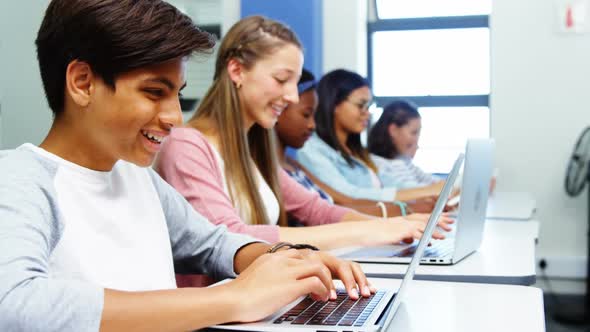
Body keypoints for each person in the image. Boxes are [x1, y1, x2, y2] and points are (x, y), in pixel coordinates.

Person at [0, 2, 374, 331]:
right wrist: (235, 299)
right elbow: (14, 304)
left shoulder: (138, 178)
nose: (175, 117)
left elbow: (213, 243)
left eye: (176, 94)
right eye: (154, 92)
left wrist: (288, 259)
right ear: (83, 83)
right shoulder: (19, 178)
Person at [154, 16, 451, 256]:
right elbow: (231, 237)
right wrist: (371, 231)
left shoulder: (252, 149)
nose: (293, 96)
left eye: (295, 83)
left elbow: (316, 210)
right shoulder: (186, 146)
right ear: (236, 70)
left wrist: (396, 225)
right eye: (282, 80)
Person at [275, 69, 438, 217]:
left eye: (369, 106)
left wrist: (421, 198)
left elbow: (338, 203)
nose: (366, 113)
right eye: (361, 105)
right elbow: (345, 199)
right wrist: (405, 208)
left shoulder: (356, 153)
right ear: (335, 105)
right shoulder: (310, 152)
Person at [368, 100, 444, 188]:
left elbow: (434, 181)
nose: (417, 139)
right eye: (414, 132)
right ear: (393, 130)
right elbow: (406, 191)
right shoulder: (377, 164)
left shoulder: (403, 160)